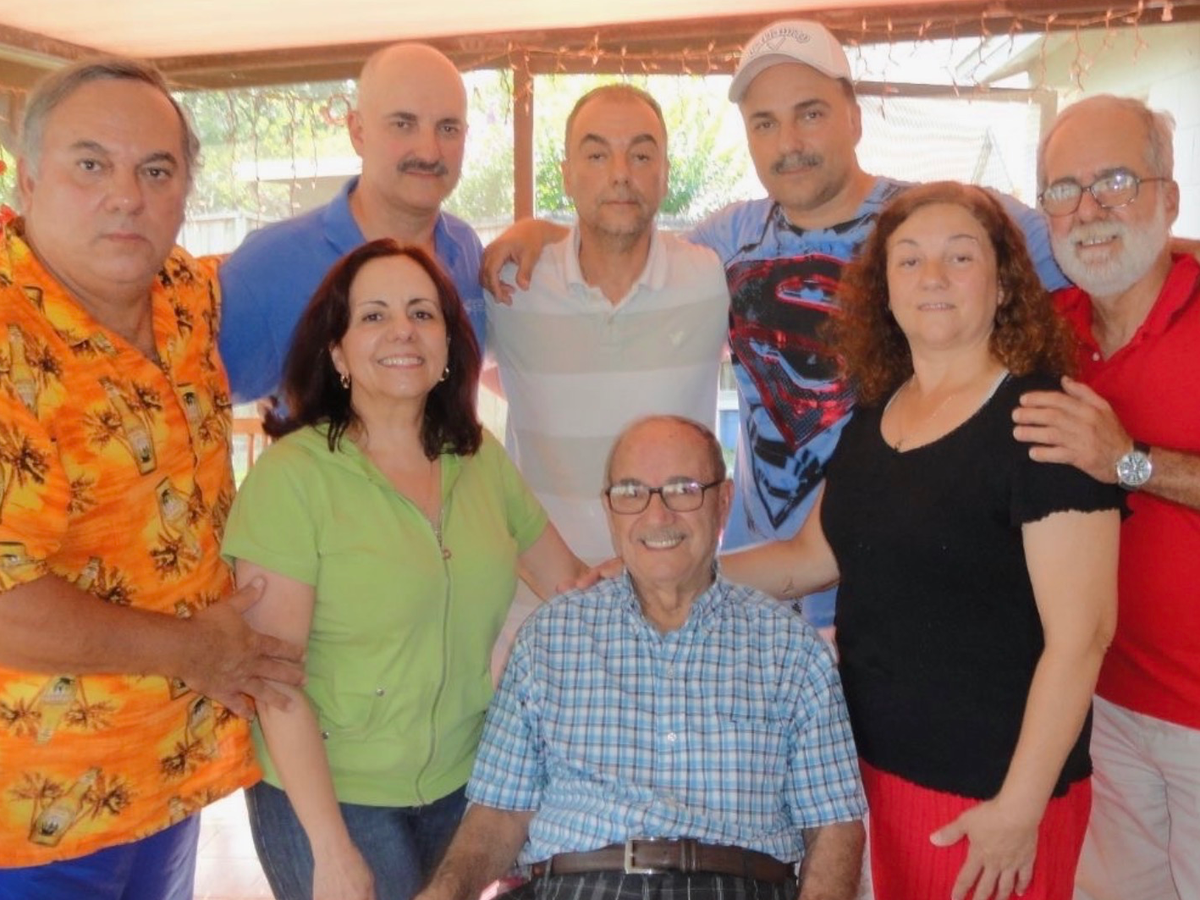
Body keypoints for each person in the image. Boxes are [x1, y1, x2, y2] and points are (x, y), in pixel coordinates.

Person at [481, 19, 1067, 629]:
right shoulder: (728, 241)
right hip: (761, 595)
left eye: (810, 113)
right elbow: (625, 239)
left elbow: (1085, 254)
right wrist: (543, 233)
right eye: (764, 123)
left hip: (903, 585)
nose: (789, 142)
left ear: (854, 118)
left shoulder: (933, 219)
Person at [722, 182, 1121, 900]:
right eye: (908, 260)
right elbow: (810, 559)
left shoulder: (1044, 419)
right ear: (884, 290)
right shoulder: (875, 415)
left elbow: (1083, 636)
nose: (932, 277)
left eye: (959, 257)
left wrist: (1019, 808)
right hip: (873, 777)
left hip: (990, 800)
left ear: (1004, 286)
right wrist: (675, 575)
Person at [0, 57, 305, 899]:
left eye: (156, 171)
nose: (126, 197)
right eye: (91, 164)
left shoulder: (183, 294)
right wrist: (193, 650)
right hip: (31, 815)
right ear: (27, 179)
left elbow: (342, 246)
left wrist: (520, 246)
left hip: (166, 778)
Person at [221, 238, 586, 900]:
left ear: (448, 345)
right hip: (334, 796)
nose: (403, 331)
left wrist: (683, 566)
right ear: (337, 352)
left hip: (461, 784)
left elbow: (573, 586)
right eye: (374, 315)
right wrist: (331, 850)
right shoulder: (292, 479)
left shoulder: (479, 459)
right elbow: (274, 680)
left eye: (422, 313)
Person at [413, 415, 867, 900]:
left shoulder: (792, 651)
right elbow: (499, 814)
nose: (657, 515)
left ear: (723, 502)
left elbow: (834, 825)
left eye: (683, 490)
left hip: (733, 886)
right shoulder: (548, 640)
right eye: (631, 493)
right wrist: (444, 892)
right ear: (610, 511)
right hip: (577, 886)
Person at [1011, 95, 1200, 900]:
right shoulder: (1047, 333)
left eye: (1115, 181)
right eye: (1064, 189)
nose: (1087, 209)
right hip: (1103, 707)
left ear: (1169, 197)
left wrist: (1128, 462)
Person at [487, 84, 727, 564]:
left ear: (665, 175)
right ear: (566, 176)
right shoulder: (511, 286)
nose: (620, 174)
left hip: (674, 588)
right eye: (597, 155)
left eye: (641, 155)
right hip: (542, 594)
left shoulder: (710, 278)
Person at [218, 43, 486, 404]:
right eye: (403, 124)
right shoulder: (270, 266)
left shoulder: (467, 251)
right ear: (358, 132)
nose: (428, 151)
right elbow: (189, 401)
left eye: (448, 128)